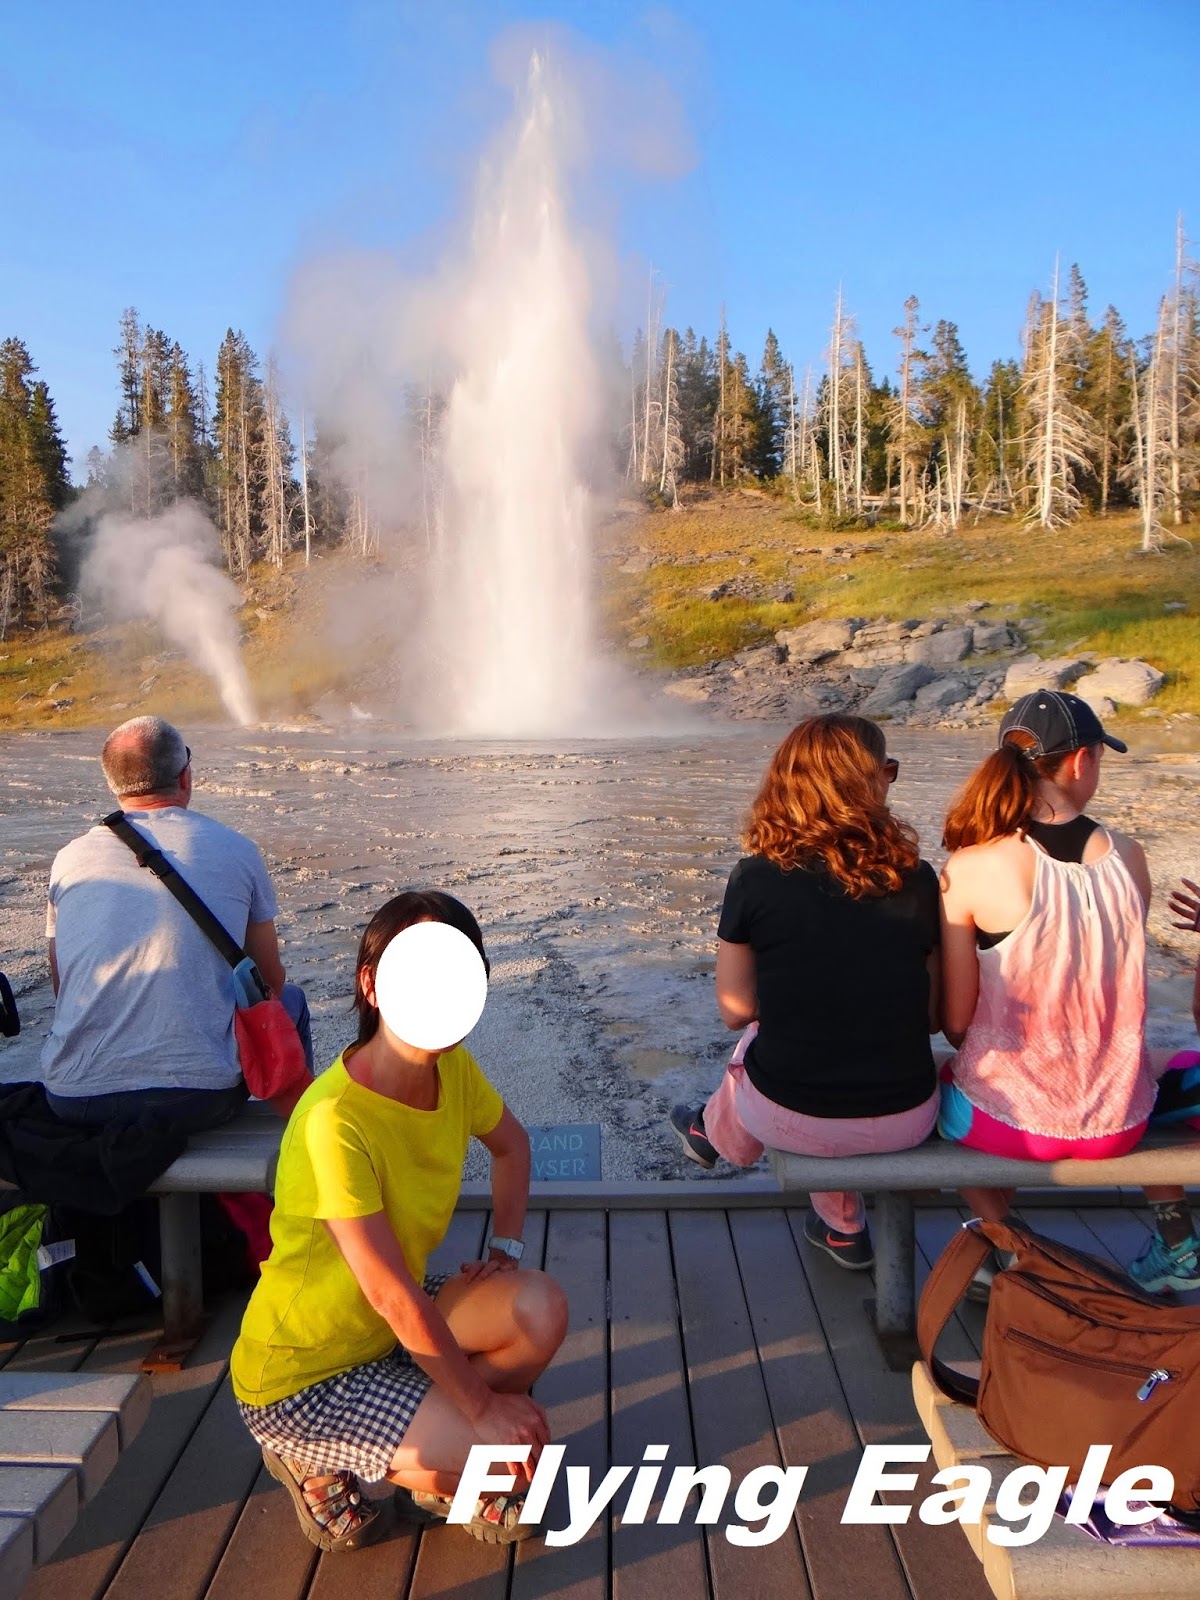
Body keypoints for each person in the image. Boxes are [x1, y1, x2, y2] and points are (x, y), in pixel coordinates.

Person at [231, 890, 568, 1552]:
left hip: (388, 1331)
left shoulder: (454, 1070)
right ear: (373, 985)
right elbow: (388, 1293)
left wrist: (504, 1249)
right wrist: (482, 1409)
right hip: (302, 1377)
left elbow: (512, 1147)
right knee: (505, 1457)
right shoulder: (334, 1120)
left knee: (539, 1307)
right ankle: (310, 1456)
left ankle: (435, 1449)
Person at [938, 689, 1199, 1293]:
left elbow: (956, 1024)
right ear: (1081, 762)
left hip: (1010, 1127)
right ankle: (1178, 1242)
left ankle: (1013, 1249)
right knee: (1155, 1064)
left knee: (939, 1090)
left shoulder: (972, 866)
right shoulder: (1129, 858)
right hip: (1117, 1124)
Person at [669, 714, 942, 1270]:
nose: (891, 781)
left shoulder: (754, 877)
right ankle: (835, 1227)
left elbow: (734, 1010)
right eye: (887, 770)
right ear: (867, 781)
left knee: (759, 1040)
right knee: (815, 1043)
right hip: (907, 1116)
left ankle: (714, 1135)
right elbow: (934, 1018)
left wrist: (800, 990)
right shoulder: (918, 878)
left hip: (791, 1116)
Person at [39, 715, 312, 1131]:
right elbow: (269, 981)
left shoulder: (69, 859)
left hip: (75, 1097)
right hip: (197, 1098)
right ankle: (299, 1139)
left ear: (113, 785)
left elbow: (64, 986)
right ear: (185, 777)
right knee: (292, 1001)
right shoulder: (236, 849)